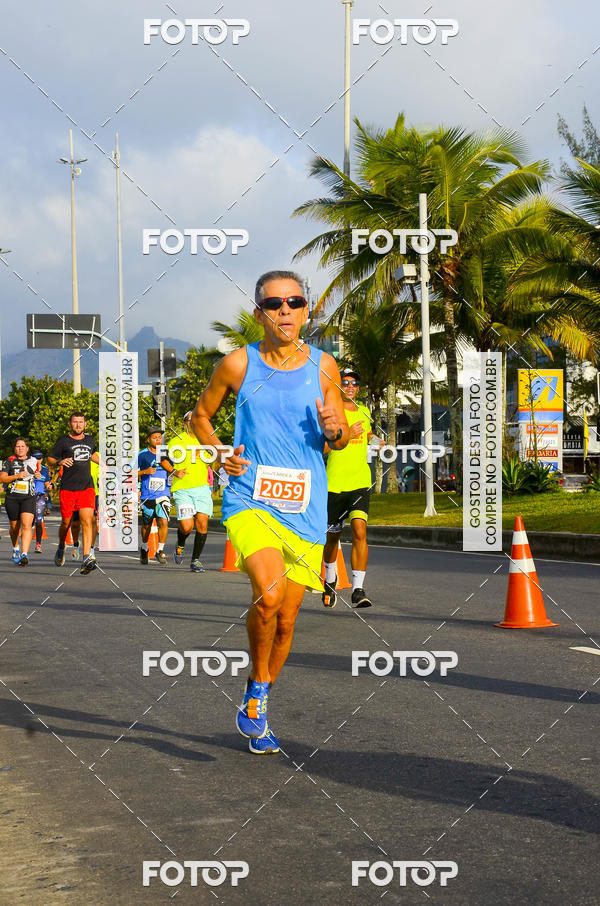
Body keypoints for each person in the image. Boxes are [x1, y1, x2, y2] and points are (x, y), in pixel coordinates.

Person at [192, 270, 348, 754]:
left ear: (307, 311)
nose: (285, 311)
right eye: (274, 304)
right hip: (249, 495)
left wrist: (335, 427)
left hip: (305, 504)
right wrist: (218, 451)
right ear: (259, 313)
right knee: (270, 592)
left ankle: (258, 693)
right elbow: (199, 416)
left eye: (294, 302)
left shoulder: (325, 367)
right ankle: (257, 692)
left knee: (286, 620)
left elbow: (337, 436)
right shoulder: (238, 364)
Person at [322, 369, 383, 609]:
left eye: (353, 383)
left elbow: (369, 436)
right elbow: (324, 448)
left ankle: (358, 589)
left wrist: (379, 443)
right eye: (344, 383)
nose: (349, 387)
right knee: (332, 537)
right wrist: (346, 434)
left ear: (358, 388)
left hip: (359, 481)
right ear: (338, 387)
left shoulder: (364, 411)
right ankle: (329, 578)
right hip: (334, 483)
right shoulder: (331, 414)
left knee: (359, 530)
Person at [48, 412, 100, 575]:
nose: (78, 425)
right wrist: (59, 461)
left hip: (86, 487)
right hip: (68, 488)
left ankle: (86, 557)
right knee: (66, 523)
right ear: (70, 424)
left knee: (87, 520)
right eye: (75, 422)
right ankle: (62, 546)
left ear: (85, 424)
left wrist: (106, 464)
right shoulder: (63, 441)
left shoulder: (90, 439)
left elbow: (92, 454)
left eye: (81, 422)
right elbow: (50, 458)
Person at [160, 412, 212, 572]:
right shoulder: (176, 441)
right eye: (191, 420)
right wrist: (174, 471)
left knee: (202, 522)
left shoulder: (206, 441)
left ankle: (195, 560)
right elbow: (162, 459)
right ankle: (180, 543)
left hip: (202, 488)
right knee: (187, 526)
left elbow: (215, 462)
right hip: (183, 489)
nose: (194, 423)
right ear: (184, 423)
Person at [0, 437, 41, 566]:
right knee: (14, 527)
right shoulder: (9, 461)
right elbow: (3, 478)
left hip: (29, 497)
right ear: (14, 448)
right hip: (12, 497)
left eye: (23, 446)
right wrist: (16, 476)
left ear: (27, 448)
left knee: (27, 525)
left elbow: (37, 473)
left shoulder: (33, 461)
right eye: (18, 446)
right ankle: (15, 548)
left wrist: (38, 475)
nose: (20, 448)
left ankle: (24, 554)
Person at [138, 427, 170, 565]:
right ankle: (144, 548)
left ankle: (160, 550)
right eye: (154, 437)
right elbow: (129, 472)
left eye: (159, 437)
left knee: (163, 521)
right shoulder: (142, 455)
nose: (157, 440)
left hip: (164, 494)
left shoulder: (167, 454)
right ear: (148, 439)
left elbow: (172, 470)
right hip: (147, 495)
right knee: (147, 525)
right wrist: (145, 471)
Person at [70, 458, 100, 561]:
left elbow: (108, 471)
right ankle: (75, 544)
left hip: (93, 493)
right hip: (75, 492)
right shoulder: (74, 452)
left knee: (92, 521)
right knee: (75, 524)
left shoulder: (97, 456)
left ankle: (90, 550)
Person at [32, 451, 53, 553]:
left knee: (39, 521)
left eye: (40, 458)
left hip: (40, 497)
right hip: (28, 497)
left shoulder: (44, 470)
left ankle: (38, 544)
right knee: (27, 522)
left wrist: (50, 486)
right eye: (36, 458)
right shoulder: (28, 468)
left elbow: (47, 483)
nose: (38, 460)